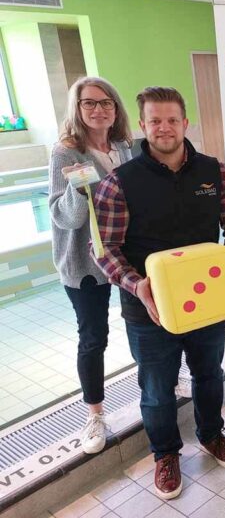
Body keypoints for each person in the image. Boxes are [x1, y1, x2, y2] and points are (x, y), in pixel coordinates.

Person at [93, 87, 225, 500]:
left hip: (207, 306)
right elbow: (105, 250)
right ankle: (165, 454)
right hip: (149, 310)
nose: (164, 128)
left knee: (210, 375)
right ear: (143, 126)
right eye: (155, 121)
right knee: (157, 388)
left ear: (185, 123)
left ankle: (212, 435)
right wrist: (137, 285)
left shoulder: (215, 172)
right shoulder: (119, 183)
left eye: (172, 120)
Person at [48, 77, 134, 454]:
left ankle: (159, 382)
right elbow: (63, 217)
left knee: (143, 321)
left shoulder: (124, 148)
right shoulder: (66, 153)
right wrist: (78, 188)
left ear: (116, 109)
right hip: (84, 260)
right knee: (94, 336)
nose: (99, 109)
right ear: (77, 109)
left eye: (106, 102)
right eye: (89, 103)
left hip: (125, 253)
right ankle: (95, 414)